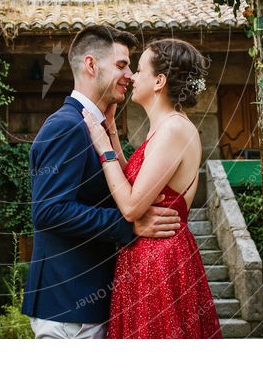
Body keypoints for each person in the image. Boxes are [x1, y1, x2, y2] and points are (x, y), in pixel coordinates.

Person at [21, 25, 183, 339]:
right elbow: (49, 211)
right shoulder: (66, 126)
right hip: (68, 309)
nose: (130, 75)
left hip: (89, 304)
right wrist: (129, 226)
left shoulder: (94, 126)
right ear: (91, 65)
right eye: (122, 65)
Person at [82, 38, 222, 339]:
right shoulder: (163, 128)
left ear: (159, 81)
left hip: (159, 261)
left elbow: (132, 206)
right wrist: (114, 138)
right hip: (146, 256)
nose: (132, 76)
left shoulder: (173, 129)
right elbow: (135, 183)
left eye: (140, 69)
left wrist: (104, 147)